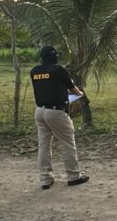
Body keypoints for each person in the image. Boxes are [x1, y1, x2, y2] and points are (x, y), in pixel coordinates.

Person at [30, 45, 89, 189]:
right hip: (56, 111)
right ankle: (74, 176)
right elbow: (73, 90)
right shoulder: (59, 70)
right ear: (55, 56)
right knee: (67, 142)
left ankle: (45, 179)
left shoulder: (34, 71)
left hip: (40, 111)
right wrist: (80, 94)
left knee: (44, 145)